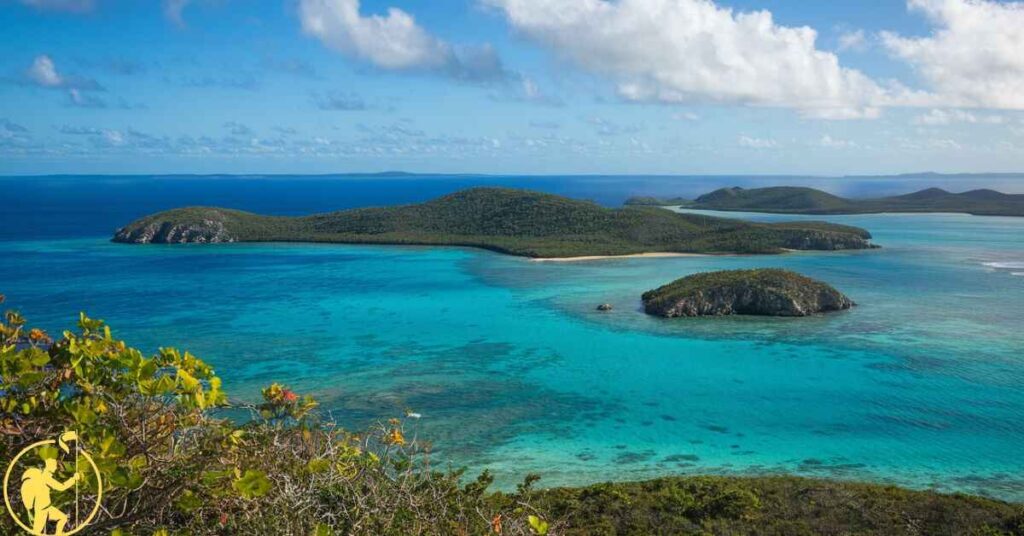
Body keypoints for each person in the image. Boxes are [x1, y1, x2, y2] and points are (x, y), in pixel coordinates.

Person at [20, 458, 80, 536]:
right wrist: (73, 479)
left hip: (47, 508)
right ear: (50, 467)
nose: (56, 468)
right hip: (42, 510)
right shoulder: (45, 477)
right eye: (55, 466)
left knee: (63, 518)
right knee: (36, 532)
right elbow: (61, 487)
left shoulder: (45, 476)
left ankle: (58, 533)